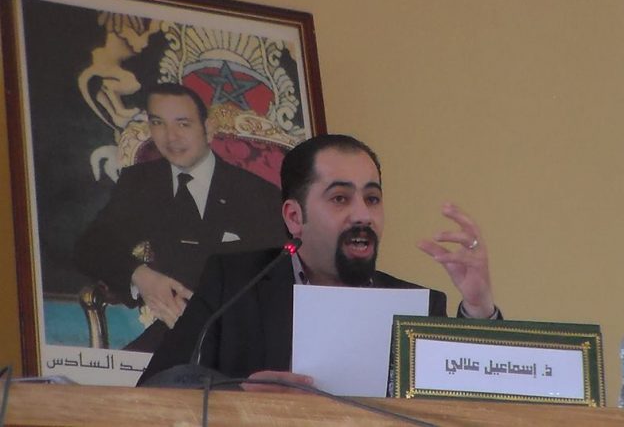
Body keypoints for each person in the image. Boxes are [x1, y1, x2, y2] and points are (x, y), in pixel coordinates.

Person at [138, 134, 501, 389]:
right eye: (340, 198)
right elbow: (160, 384)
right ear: (294, 217)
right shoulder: (235, 284)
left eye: (372, 199)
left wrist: (478, 308)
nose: (363, 215)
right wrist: (239, 392)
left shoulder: (418, 308)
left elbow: (473, 402)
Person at [74, 83, 286, 352]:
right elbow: (91, 246)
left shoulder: (257, 193)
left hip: (239, 337)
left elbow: (279, 274)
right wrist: (141, 277)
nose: (171, 137)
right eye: (158, 123)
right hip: (169, 334)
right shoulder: (141, 183)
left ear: (208, 129)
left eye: (183, 124)